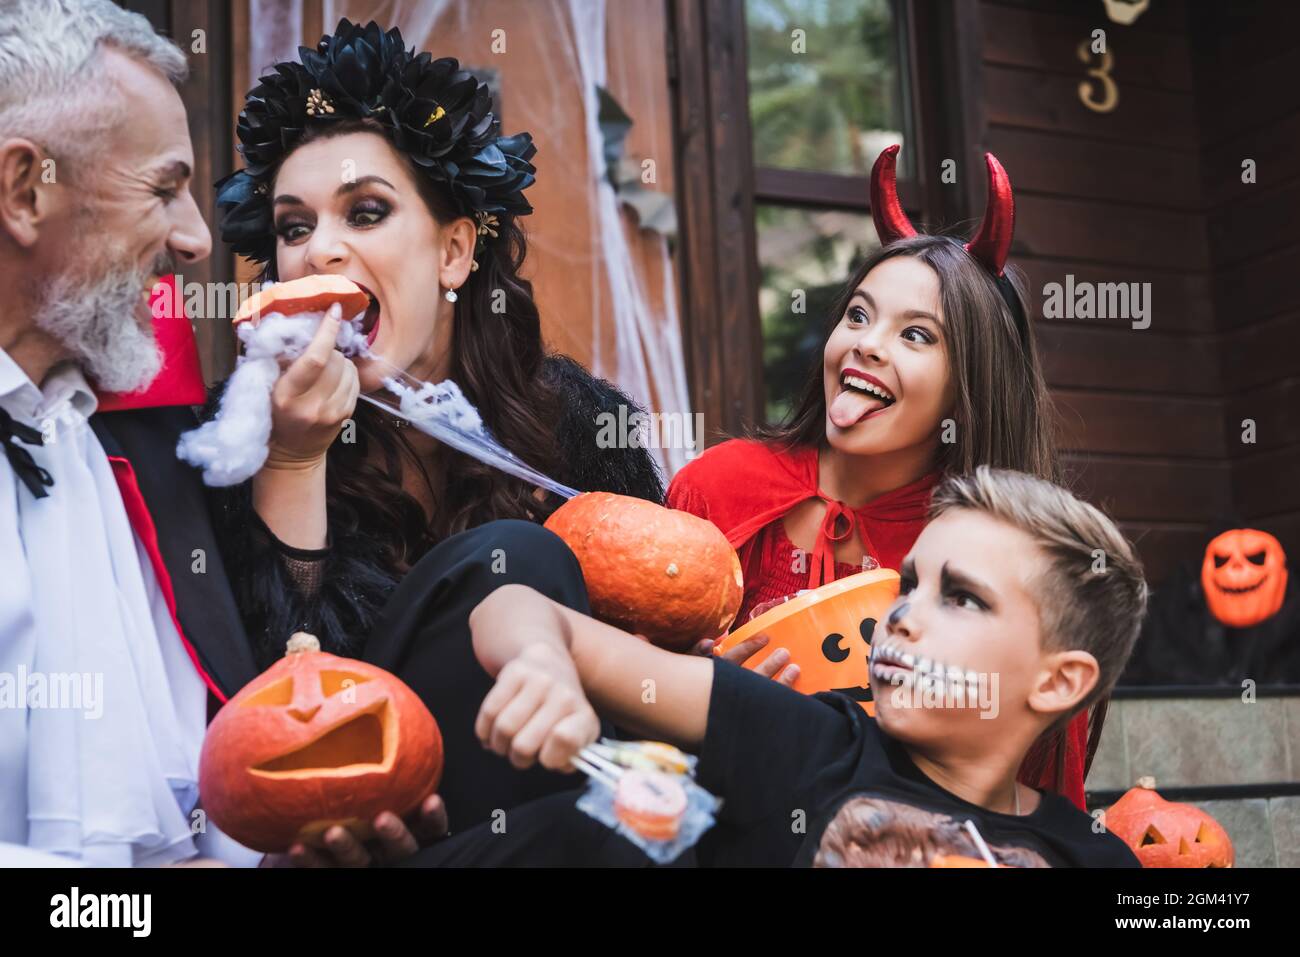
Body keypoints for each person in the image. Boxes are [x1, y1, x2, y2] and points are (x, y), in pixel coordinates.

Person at [205, 19, 662, 832]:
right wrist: (294, 459)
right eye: (294, 226)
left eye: (366, 211)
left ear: (454, 251)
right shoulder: (237, 439)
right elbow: (280, 703)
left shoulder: (585, 425)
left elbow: (653, 651)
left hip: (564, 823)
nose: (320, 253)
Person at [666, 147, 1094, 810]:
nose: (867, 343)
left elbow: (1025, 797)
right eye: (859, 315)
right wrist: (700, 696)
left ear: (969, 388)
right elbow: (625, 702)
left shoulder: (995, 562)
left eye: (916, 335)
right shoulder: (715, 489)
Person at [466, 467, 1148, 867]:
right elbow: (518, 602)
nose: (903, 615)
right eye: (908, 584)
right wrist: (544, 663)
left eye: (961, 597)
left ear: (1058, 681)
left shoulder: (1091, 854)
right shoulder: (812, 740)